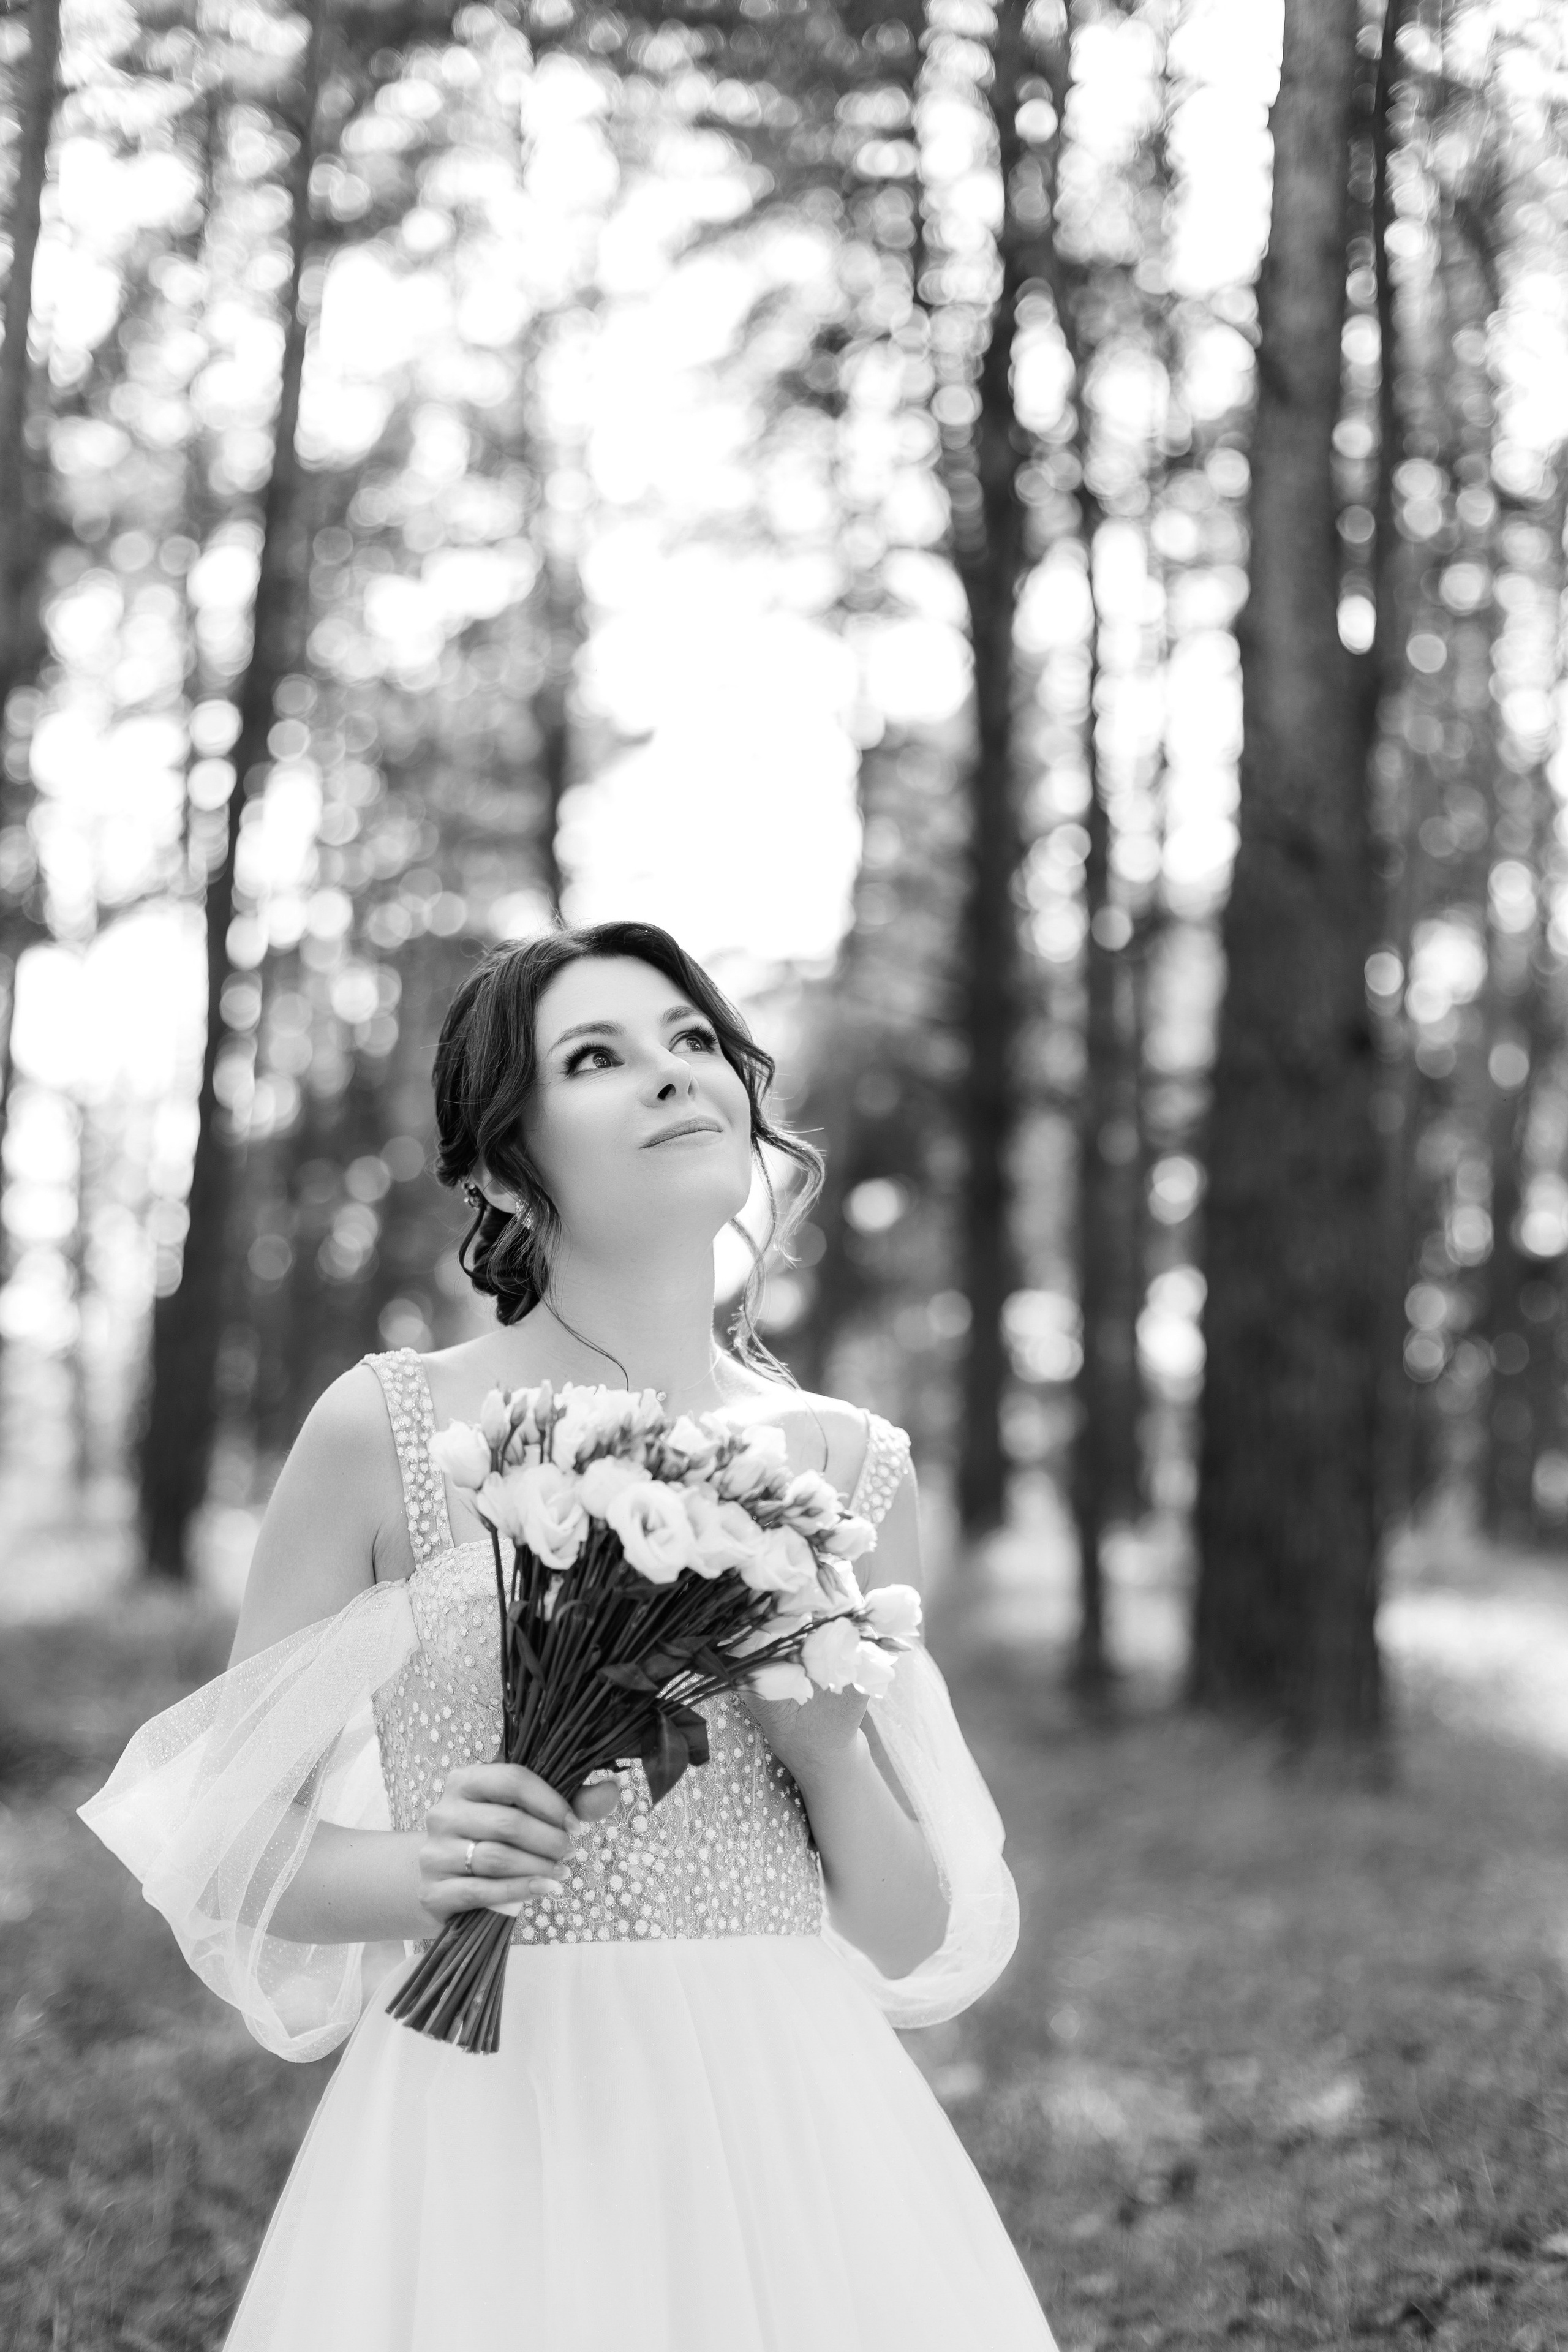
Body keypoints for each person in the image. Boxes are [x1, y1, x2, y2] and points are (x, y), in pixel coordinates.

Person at [79, 919, 1058, 2351]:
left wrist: (830, 1754)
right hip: (490, 2104)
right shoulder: (391, 1430)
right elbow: (228, 1840)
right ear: (495, 1169)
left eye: (692, 1042)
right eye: (597, 1058)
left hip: (788, 2116)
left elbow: (906, 1928)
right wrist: (428, 1869)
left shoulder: (848, 1469)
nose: (674, 1077)